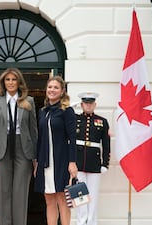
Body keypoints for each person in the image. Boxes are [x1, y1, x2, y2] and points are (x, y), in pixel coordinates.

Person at [0, 68, 38, 225]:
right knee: (3, 191)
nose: (10, 82)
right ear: (3, 82)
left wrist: (35, 157)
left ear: (19, 82)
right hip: (2, 148)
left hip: (23, 149)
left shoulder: (28, 101)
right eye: (7, 80)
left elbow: (33, 130)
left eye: (13, 79)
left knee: (20, 191)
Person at [34, 76, 78, 225]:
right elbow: (39, 139)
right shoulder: (42, 111)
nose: (52, 90)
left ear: (62, 91)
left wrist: (72, 162)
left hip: (61, 160)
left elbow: (73, 138)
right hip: (45, 162)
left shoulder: (67, 111)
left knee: (62, 199)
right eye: (50, 87)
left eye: (56, 87)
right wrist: (37, 162)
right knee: (49, 199)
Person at [75, 92, 110, 225]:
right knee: (80, 195)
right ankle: (81, 221)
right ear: (82, 104)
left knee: (93, 196)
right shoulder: (75, 119)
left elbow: (106, 144)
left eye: (90, 103)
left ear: (94, 105)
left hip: (95, 163)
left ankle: (91, 222)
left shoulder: (102, 121)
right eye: (85, 103)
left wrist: (105, 163)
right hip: (78, 162)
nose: (88, 105)